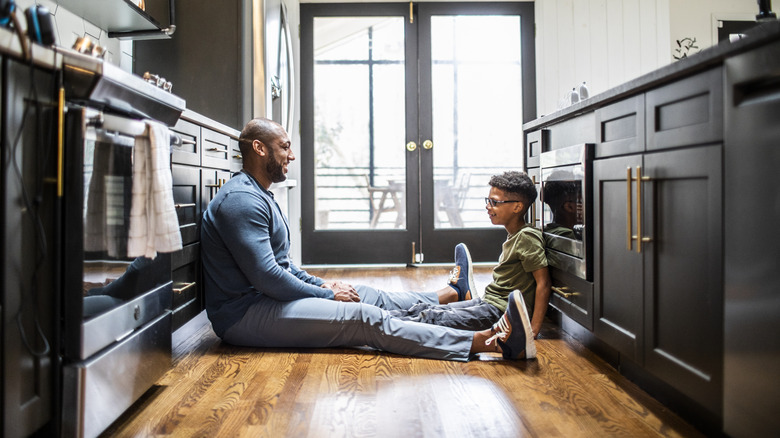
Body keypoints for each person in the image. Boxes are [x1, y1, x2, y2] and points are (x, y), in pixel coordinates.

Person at [200, 117, 536, 361]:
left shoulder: (260, 196)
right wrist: (325, 292)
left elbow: (284, 266)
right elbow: (268, 277)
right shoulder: (241, 202)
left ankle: (450, 295)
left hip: (268, 300)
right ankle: (489, 342)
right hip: (244, 315)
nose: (291, 155)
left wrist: (326, 288)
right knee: (363, 317)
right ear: (259, 149)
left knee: (364, 295)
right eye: (284, 147)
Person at [390, 171, 552, 338]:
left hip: (499, 313)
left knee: (430, 318)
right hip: (488, 303)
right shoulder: (516, 235)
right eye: (488, 201)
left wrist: (533, 328)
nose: (488, 206)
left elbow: (544, 283)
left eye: (495, 202)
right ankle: (373, 318)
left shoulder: (527, 237)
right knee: (423, 309)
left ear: (517, 207)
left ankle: (375, 324)